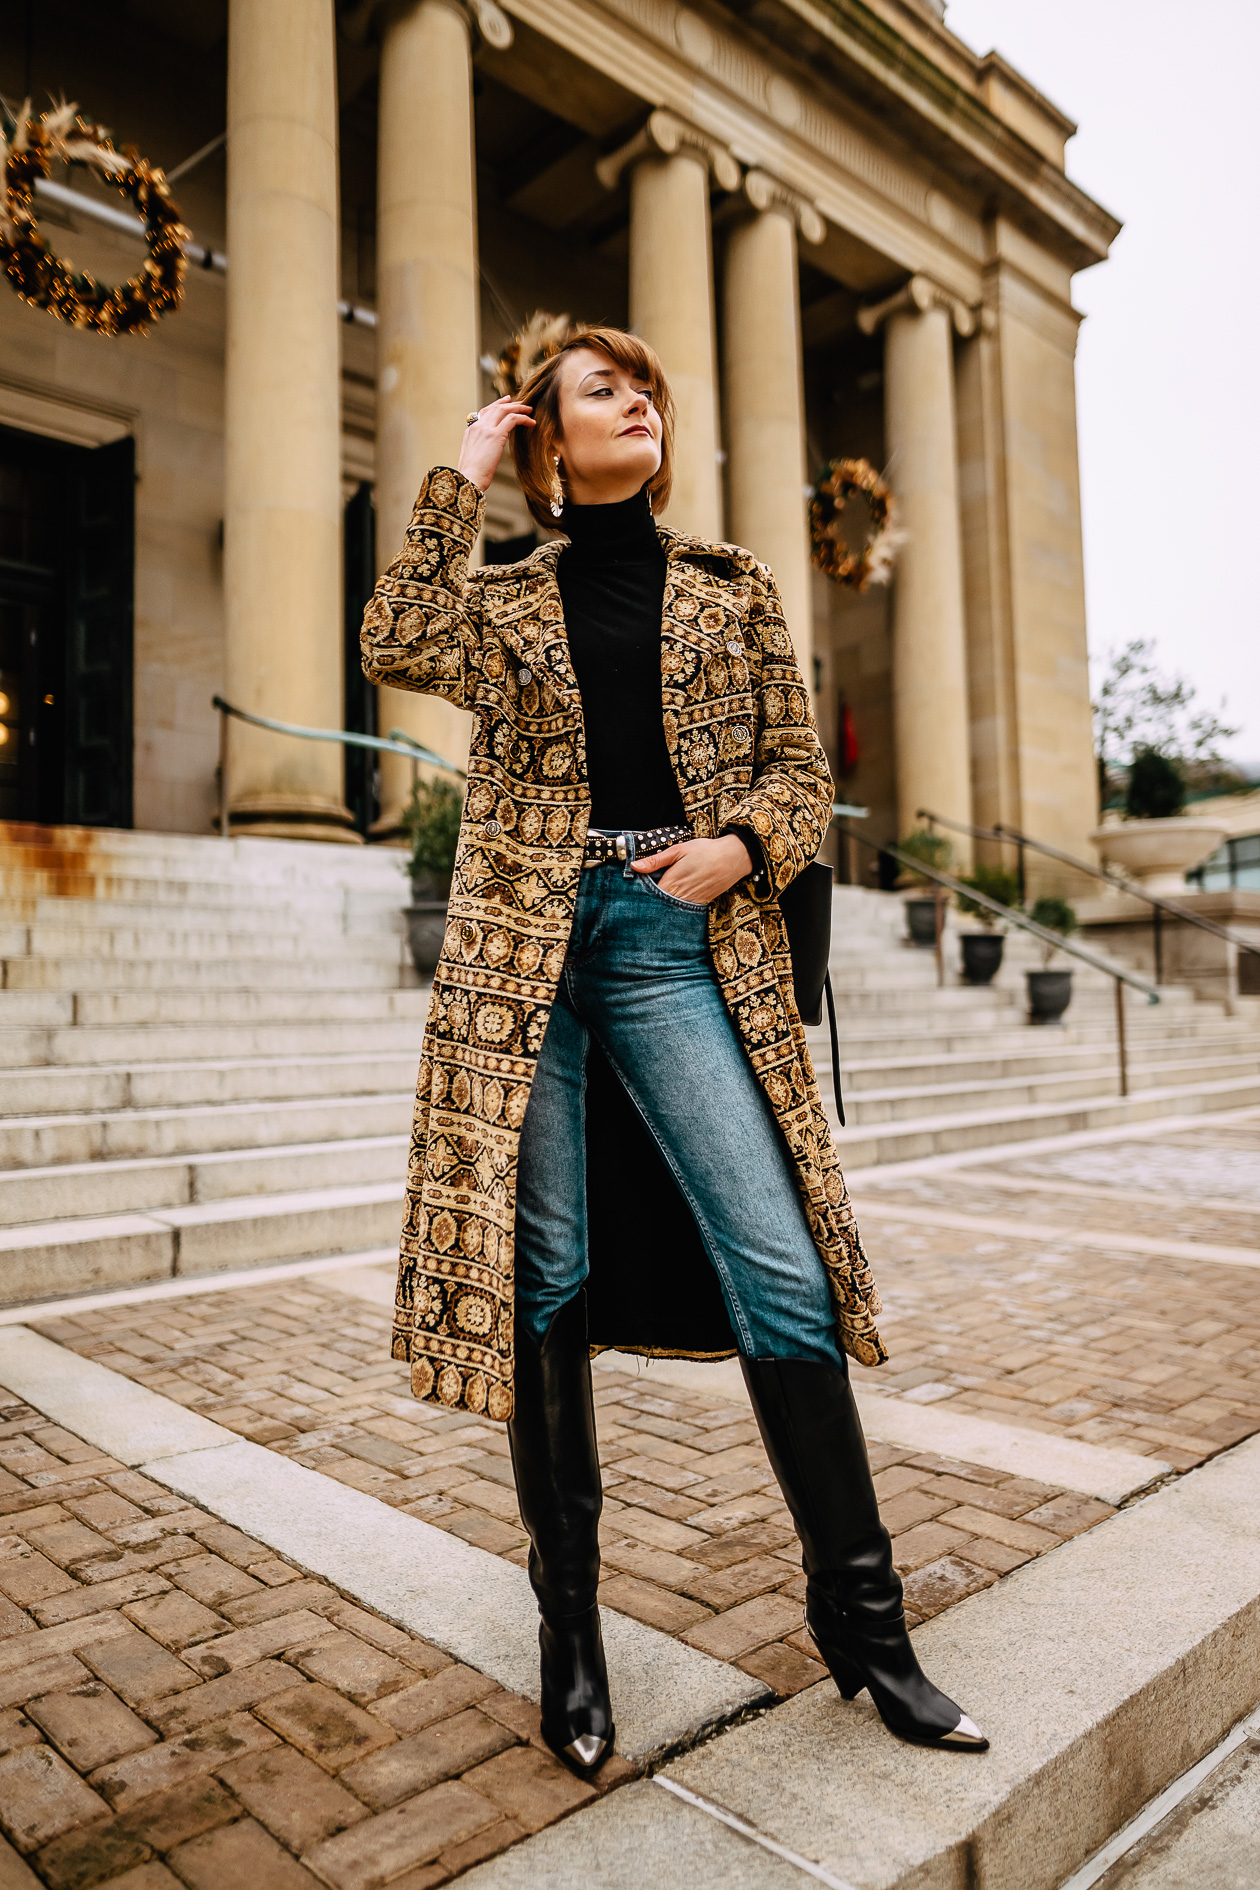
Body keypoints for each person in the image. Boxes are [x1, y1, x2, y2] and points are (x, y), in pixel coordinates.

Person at [360, 325, 987, 1774]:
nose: (636, 399)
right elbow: (397, 639)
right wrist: (455, 477)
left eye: (645, 387)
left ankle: (869, 1627)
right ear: (543, 438)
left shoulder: (734, 583)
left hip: (664, 930)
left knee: (779, 1254)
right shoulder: (508, 599)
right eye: (600, 387)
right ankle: (569, 1634)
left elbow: (793, 763)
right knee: (549, 1273)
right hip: (525, 946)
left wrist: (739, 846)